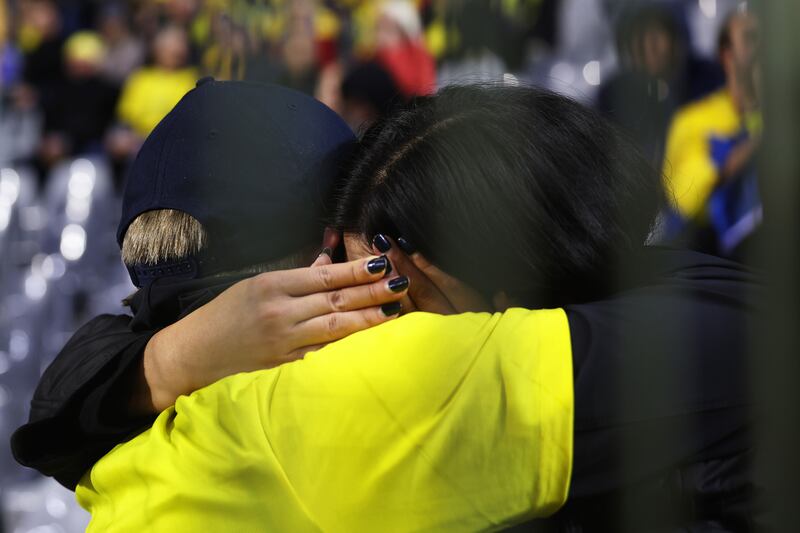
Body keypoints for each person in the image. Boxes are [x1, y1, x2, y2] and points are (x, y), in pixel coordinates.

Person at [14, 85, 758, 530]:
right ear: (322, 262)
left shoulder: (145, 425)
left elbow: (51, 416)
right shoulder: (369, 390)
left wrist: (166, 357)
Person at [661, 5, 761, 259]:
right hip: (719, 257)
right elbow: (683, 197)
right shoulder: (693, 120)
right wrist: (741, 155)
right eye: (750, 39)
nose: (761, 48)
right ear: (726, 55)